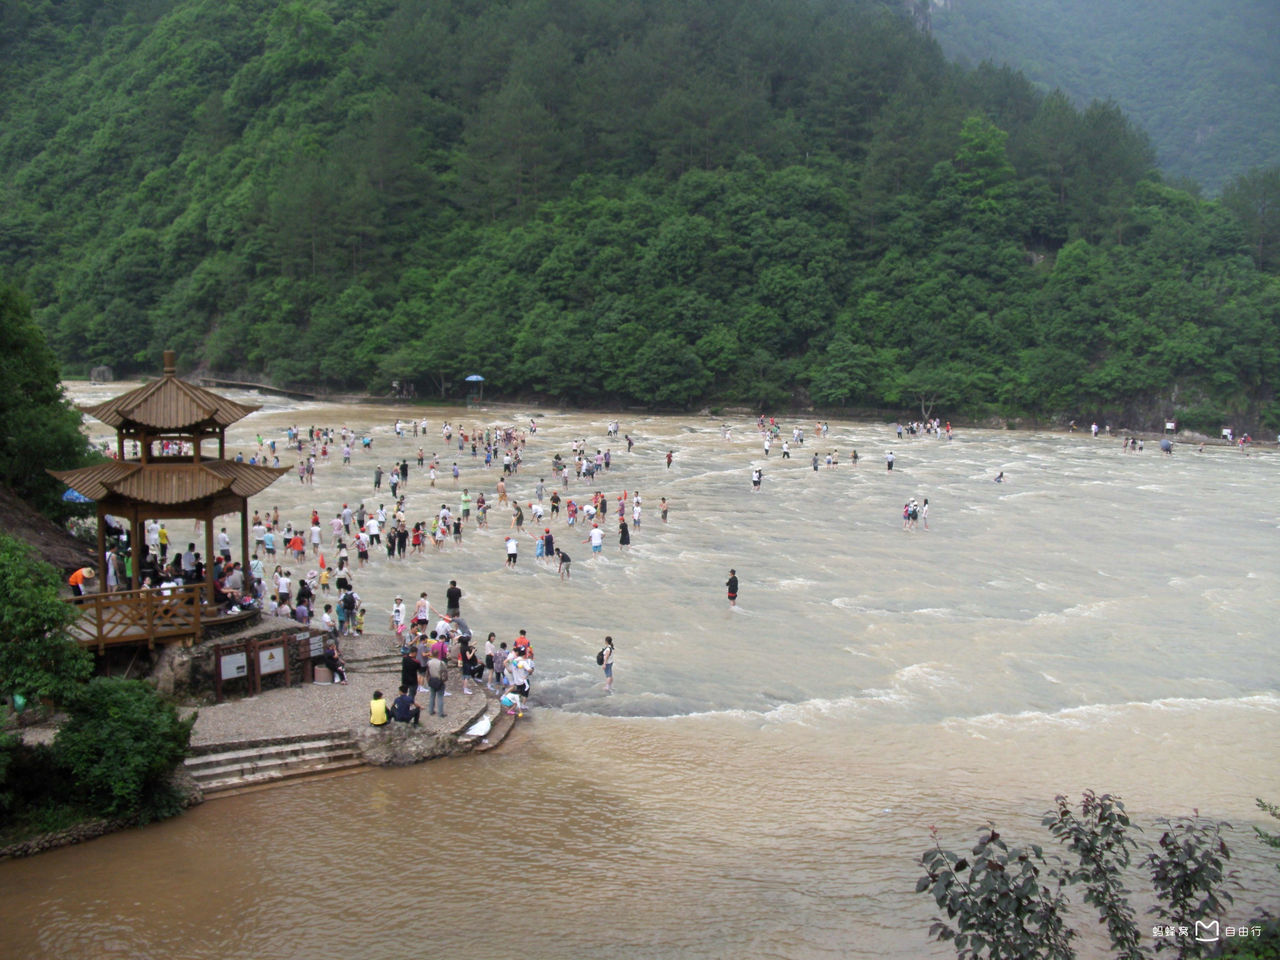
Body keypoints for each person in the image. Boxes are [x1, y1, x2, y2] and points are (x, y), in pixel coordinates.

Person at [425, 651, 448, 717]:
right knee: (440, 697)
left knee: (432, 696)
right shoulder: (441, 663)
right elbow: (445, 672)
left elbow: (427, 673)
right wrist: (444, 681)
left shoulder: (429, 662)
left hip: (432, 680)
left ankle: (431, 710)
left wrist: (428, 680)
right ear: (438, 654)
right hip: (439, 681)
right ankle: (440, 713)